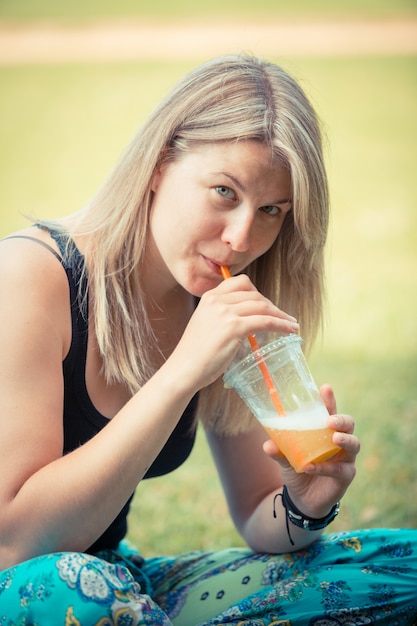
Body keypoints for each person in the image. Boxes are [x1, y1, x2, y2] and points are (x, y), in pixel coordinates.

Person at [0, 54, 415, 626]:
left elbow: (255, 512)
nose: (243, 237)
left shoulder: (218, 306)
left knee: (402, 566)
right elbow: (17, 542)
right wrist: (181, 372)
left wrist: (303, 505)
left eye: (271, 210)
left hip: (120, 584)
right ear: (157, 165)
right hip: (45, 588)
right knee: (74, 592)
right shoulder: (30, 277)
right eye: (224, 191)